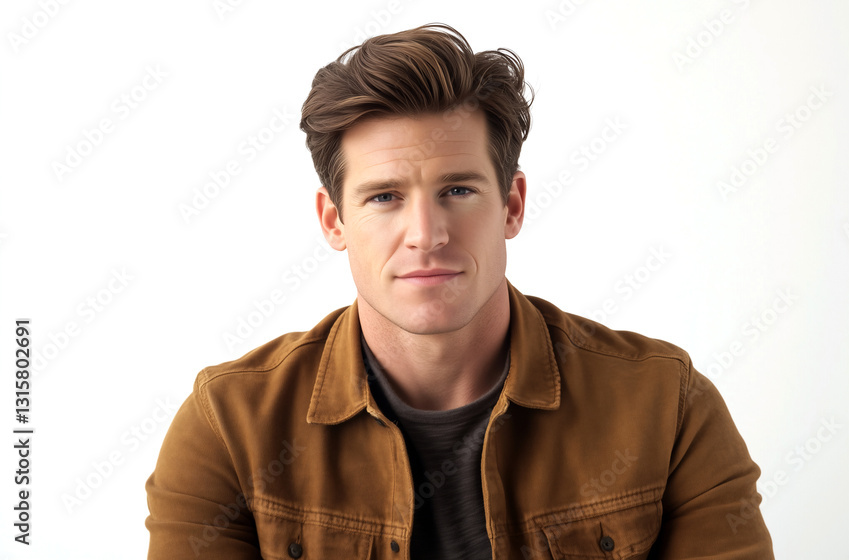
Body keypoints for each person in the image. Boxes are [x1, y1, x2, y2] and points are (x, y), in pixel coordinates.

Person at [145, 23, 774, 559]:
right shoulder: (228, 427)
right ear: (334, 221)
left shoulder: (667, 407)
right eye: (384, 197)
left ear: (512, 205)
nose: (426, 234)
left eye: (458, 190)